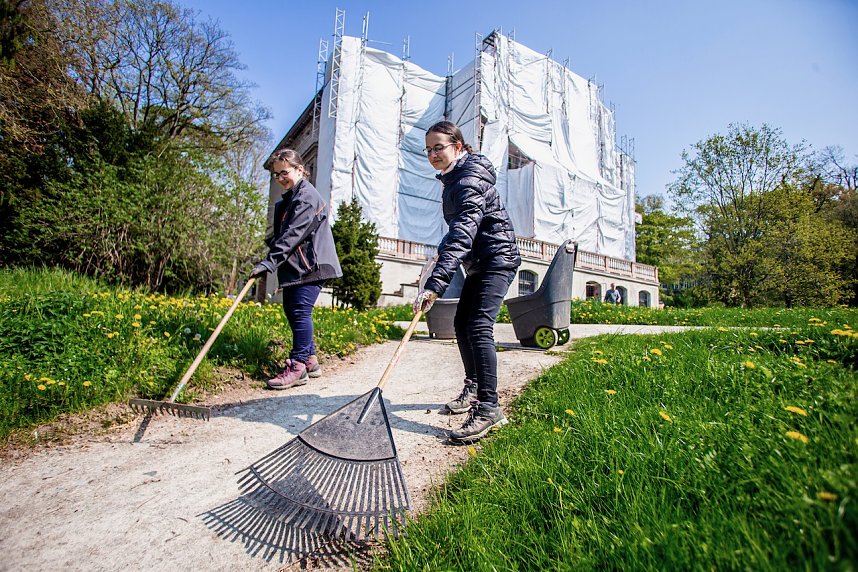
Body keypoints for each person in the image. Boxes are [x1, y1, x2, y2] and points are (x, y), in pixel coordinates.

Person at [413, 120, 521, 444]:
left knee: (478, 326)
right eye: (429, 149)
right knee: (461, 323)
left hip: (497, 259)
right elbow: (456, 233)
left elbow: (462, 233)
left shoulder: (468, 180)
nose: (433, 154)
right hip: (480, 261)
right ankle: (474, 385)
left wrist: (435, 284)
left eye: (439, 147)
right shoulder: (453, 179)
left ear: (457, 147)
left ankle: (489, 408)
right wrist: (440, 256)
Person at [250, 148, 342, 389]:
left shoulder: (307, 198)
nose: (280, 178)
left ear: (300, 169)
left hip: (311, 265)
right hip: (296, 267)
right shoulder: (289, 199)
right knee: (293, 310)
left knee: (300, 311)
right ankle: (311, 360)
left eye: (285, 172)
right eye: (276, 174)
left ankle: (298, 365)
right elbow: (282, 235)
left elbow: (294, 235)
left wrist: (270, 262)